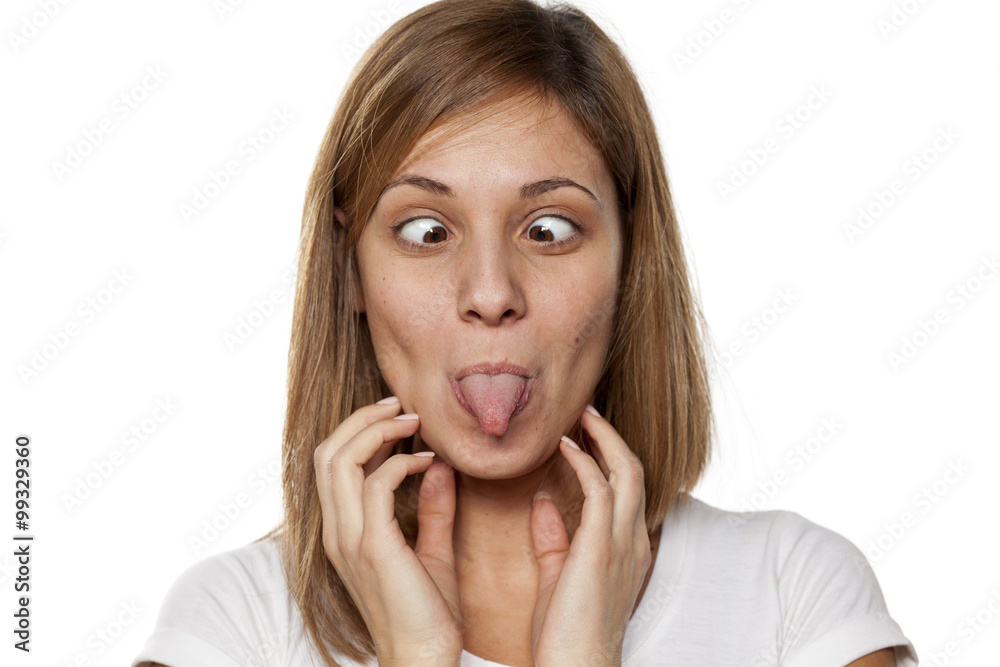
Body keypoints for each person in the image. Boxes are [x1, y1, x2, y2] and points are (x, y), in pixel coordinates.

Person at [132, 1, 918, 665]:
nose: (490, 294)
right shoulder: (231, 626)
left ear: (631, 260)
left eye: (547, 229)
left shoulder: (795, 597)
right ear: (349, 273)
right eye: (426, 231)